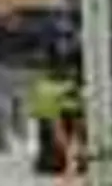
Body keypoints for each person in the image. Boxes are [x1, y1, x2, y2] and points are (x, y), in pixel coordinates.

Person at [27, 39, 83, 174]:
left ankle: (59, 157)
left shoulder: (43, 87)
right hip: (59, 159)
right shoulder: (48, 88)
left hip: (54, 160)